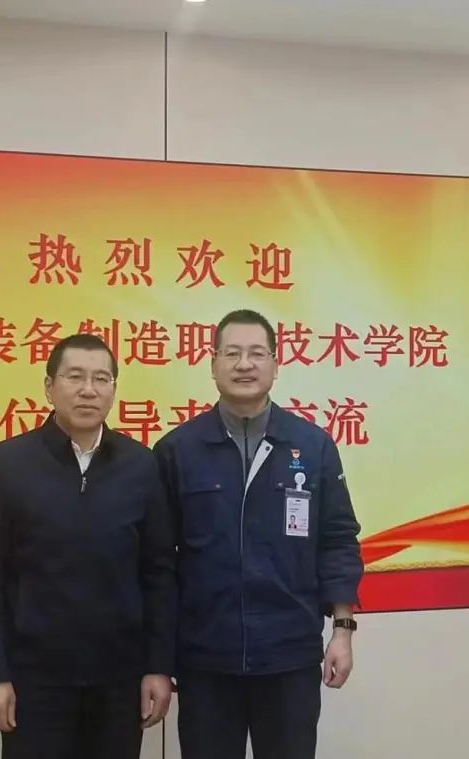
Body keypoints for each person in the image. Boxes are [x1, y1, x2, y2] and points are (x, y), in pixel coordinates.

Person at [153, 309, 364, 759]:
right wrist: (157, 661)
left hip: (289, 656)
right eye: (232, 353)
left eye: (256, 353)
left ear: (275, 363)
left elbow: (338, 539)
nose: (244, 364)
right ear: (213, 363)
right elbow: (158, 562)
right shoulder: (178, 450)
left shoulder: (312, 446)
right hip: (206, 661)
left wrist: (342, 630)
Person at [0, 333, 176, 759]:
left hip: (118, 680)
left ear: (113, 388)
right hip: (34, 680)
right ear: (49, 387)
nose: (88, 390)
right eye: (74, 377)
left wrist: (159, 668)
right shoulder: (8, 463)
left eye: (101, 379)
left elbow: (158, 574)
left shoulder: (140, 464)